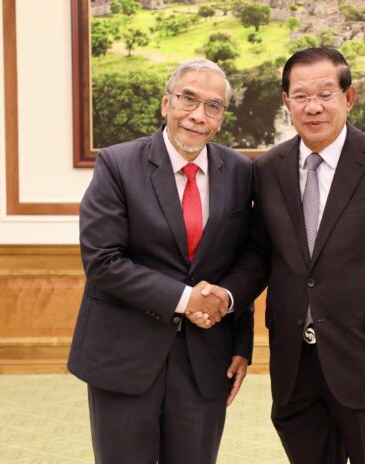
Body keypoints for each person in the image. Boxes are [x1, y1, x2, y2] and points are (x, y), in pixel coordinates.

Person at [215, 47, 365, 463]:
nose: (312, 107)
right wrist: (225, 297)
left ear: (348, 97)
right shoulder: (267, 168)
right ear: (286, 102)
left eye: (324, 94)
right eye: (300, 96)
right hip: (295, 361)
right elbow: (258, 255)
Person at [68, 58, 254, 464]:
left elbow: (248, 257)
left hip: (206, 357)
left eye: (213, 106)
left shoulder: (241, 171)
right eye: (188, 99)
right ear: (166, 103)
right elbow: (102, 260)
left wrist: (241, 341)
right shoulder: (117, 164)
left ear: (222, 117)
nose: (198, 115)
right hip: (125, 353)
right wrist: (187, 300)